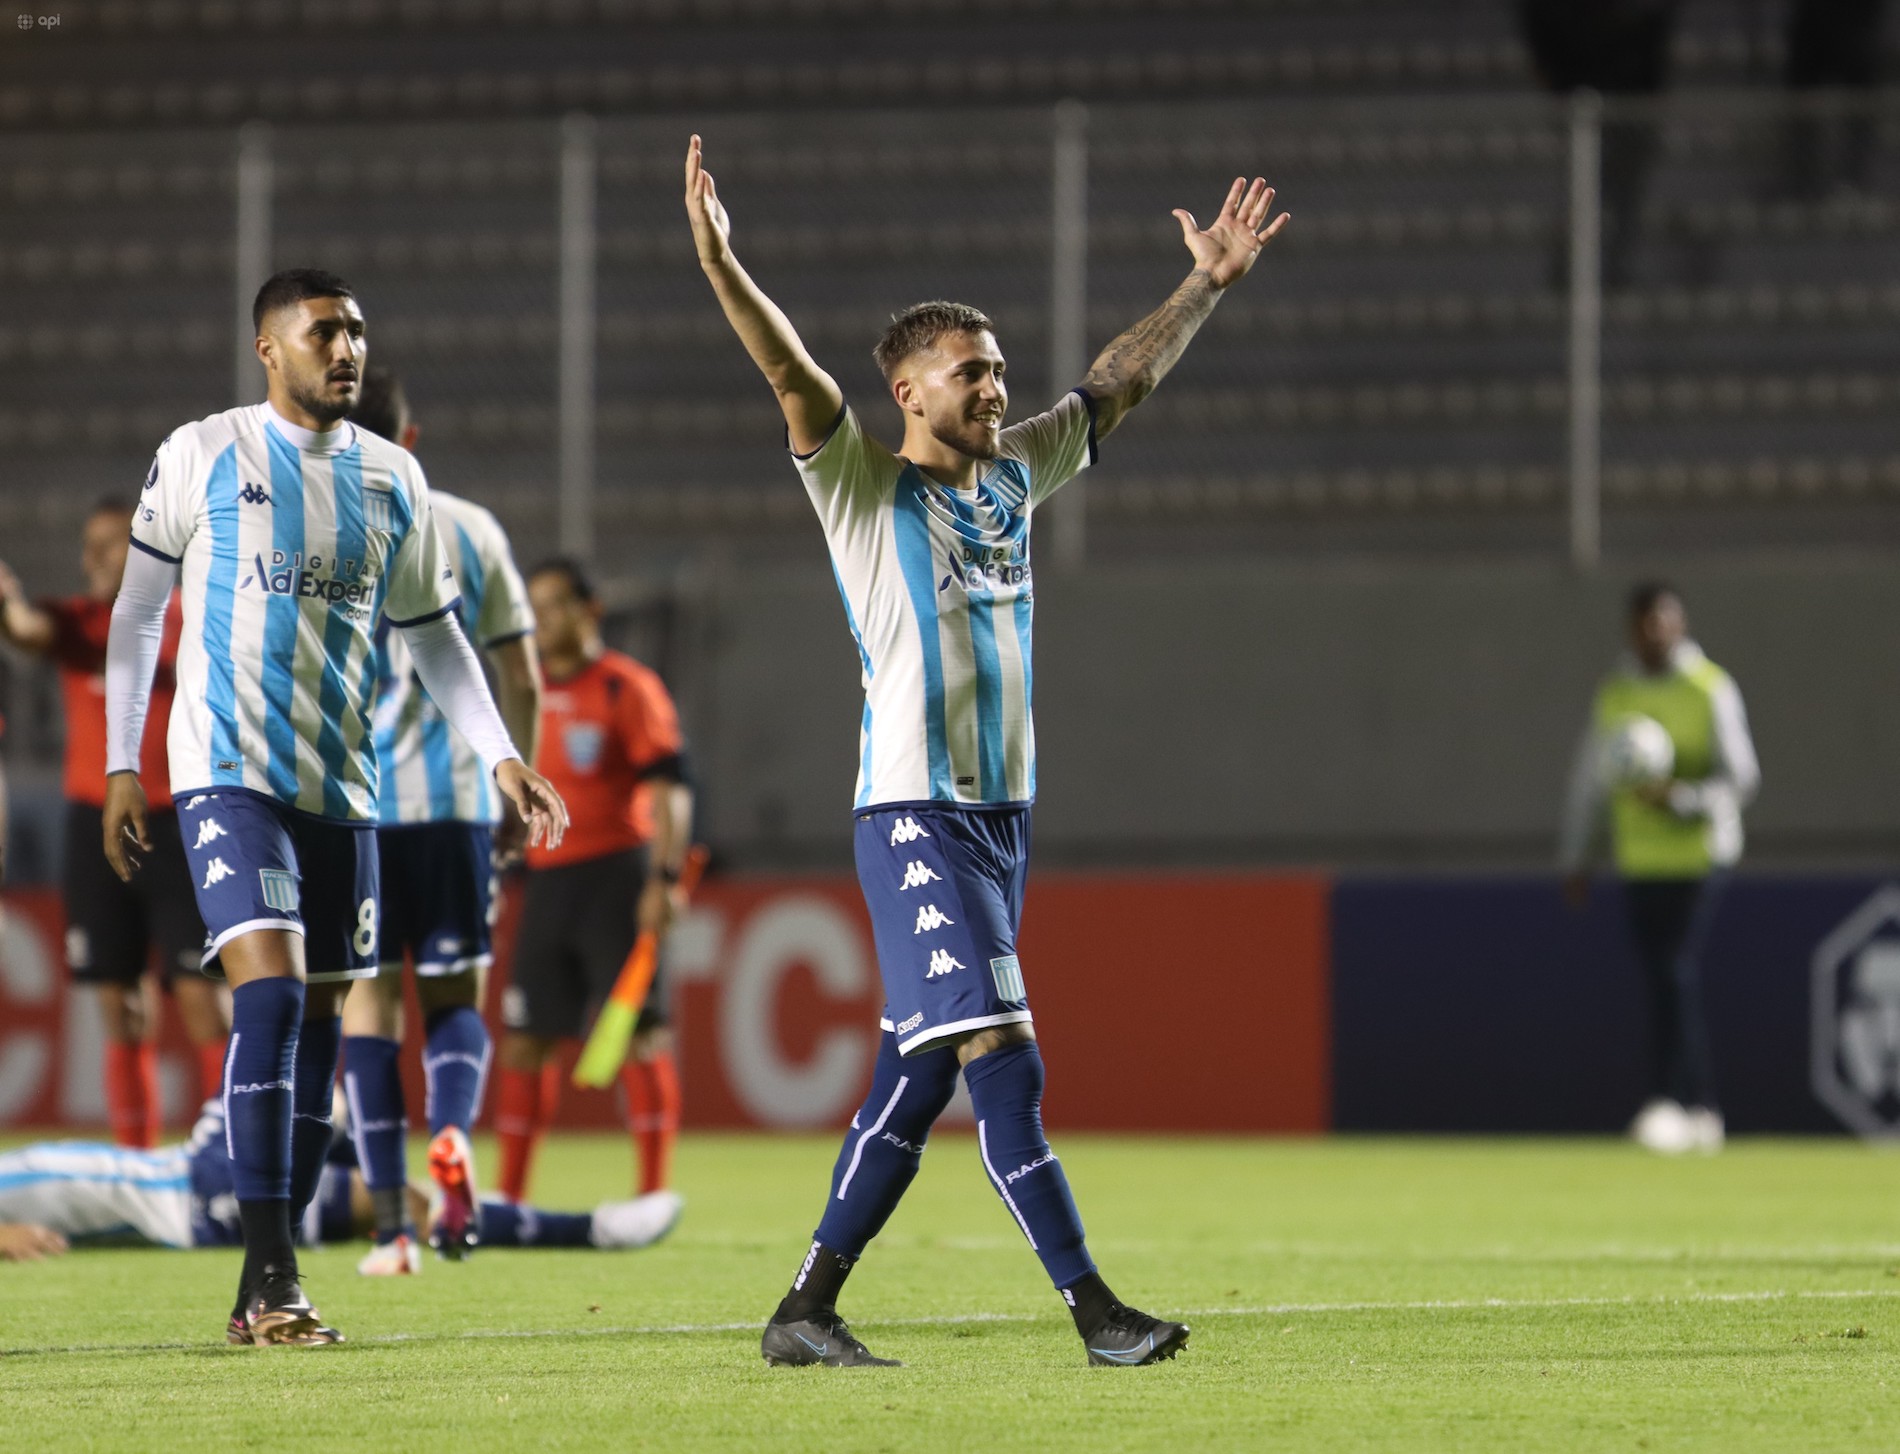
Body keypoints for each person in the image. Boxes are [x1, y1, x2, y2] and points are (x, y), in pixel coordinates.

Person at [685, 134, 1287, 1368]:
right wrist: (724, 266)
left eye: (1000, 368)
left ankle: (803, 1309)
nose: (997, 387)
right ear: (908, 393)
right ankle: (1096, 1312)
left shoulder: (1013, 478)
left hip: (1000, 820)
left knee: (917, 1075)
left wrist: (1203, 287)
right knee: (1005, 1056)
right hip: (913, 812)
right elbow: (795, 377)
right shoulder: (861, 490)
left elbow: (1114, 384)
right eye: (971, 372)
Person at [102, 267, 569, 1346]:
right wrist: (125, 760)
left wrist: (499, 754)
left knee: (317, 1034)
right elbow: (137, 613)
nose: (346, 348)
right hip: (227, 773)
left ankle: (267, 1274)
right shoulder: (203, 452)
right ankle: (272, 1275)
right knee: (265, 1003)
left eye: (356, 331)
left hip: (342, 793)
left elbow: (436, 637)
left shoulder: (392, 477)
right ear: (270, 348)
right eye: (324, 332)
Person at [339, 365, 545, 1276]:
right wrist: (514, 783)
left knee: (369, 1007)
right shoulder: (469, 528)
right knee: (455, 998)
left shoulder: (312, 525)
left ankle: (390, 1230)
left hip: (357, 808)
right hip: (460, 801)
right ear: (409, 441)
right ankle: (454, 1133)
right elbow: (523, 677)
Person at [0, 502, 228, 1149]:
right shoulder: (77, 623)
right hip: (91, 828)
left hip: (181, 825)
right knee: (118, 1003)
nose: (91, 559)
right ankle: (137, 1163)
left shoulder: (194, 619)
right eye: (87, 546)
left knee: (201, 998)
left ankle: (229, 1156)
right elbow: (24, 629)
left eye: (108, 545)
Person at [492, 559, 694, 1207]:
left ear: (590, 610)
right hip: (547, 883)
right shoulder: (524, 693)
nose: (541, 619)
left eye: (553, 604)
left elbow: (670, 792)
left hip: (615, 874)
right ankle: (509, 1200)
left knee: (639, 1035)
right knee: (527, 1040)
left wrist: (664, 878)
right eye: (533, 606)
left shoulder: (625, 688)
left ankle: (653, 1192)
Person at [1560, 582, 1760, 1155]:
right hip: (1640, 858)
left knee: (1673, 968)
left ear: (1680, 624)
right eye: (1644, 623)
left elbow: (1742, 776)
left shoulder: (1709, 689)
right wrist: (1578, 855)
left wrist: (1682, 799)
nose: (1654, 633)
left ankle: (1679, 1102)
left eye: (1664, 622)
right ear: (1631, 629)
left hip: (1699, 854)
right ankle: (1695, 1108)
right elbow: (1591, 781)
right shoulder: (1617, 692)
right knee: (1661, 975)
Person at [0, 1096, 681, 1263]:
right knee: (393, 1200)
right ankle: (590, 1230)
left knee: (329, 1080)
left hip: (193, 1163)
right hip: (197, 1207)